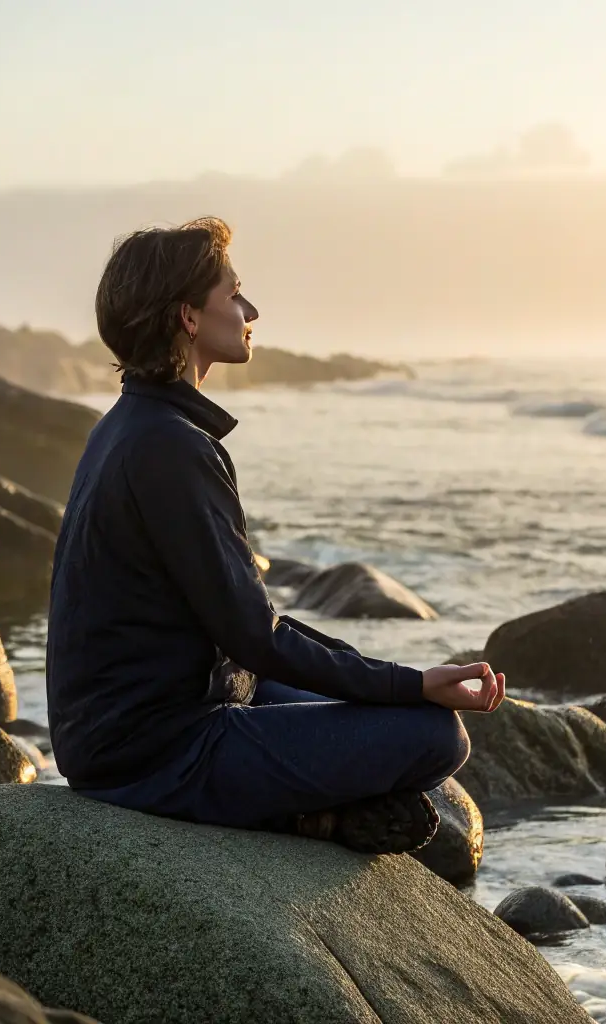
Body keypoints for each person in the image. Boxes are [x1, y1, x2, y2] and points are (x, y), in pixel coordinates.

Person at [46, 217, 505, 854]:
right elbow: (255, 637)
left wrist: (398, 678)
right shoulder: (169, 448)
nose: (249, 308)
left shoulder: (128, 427)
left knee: (363, 706)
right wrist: (410, 685)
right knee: (435, 737)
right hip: (156, 752)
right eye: (233, 293)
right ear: (187, 317)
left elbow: (245, 630)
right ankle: (302, 818)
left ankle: (314, 808)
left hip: (135, 725)